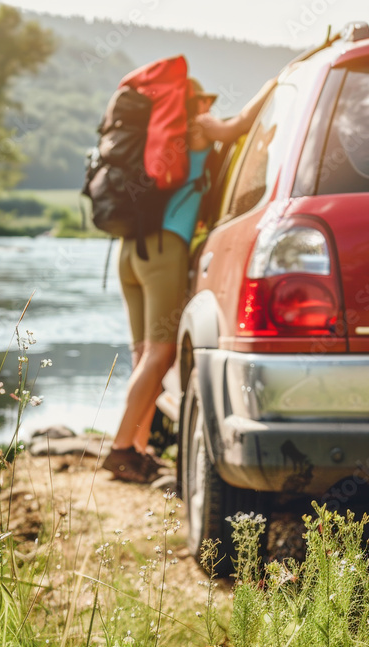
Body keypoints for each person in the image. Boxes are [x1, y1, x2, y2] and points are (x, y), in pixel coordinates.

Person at [101, 76, 276, 484]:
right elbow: (241, 124)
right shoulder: (194, 131)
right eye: (203, 102)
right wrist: (274, 82)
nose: (208, 108)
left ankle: (138, 450)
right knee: (160, 355)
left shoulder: (156, 143)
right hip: (164, 250)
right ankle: (121, 449)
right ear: (191, 104)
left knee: (144, 354)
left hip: (131, 250)